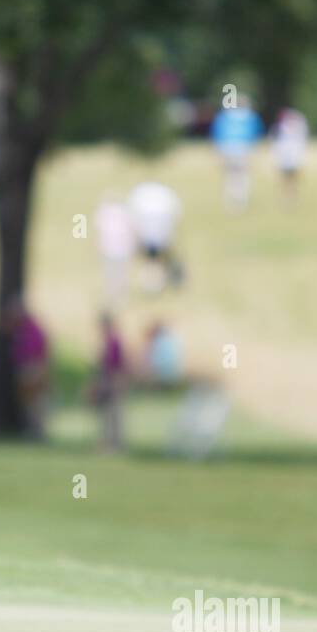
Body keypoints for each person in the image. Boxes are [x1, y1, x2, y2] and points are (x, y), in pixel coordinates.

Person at [126, 181, 184, 289]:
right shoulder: (164, 196)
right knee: (156, 261)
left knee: (152, 262)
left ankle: (153, 284)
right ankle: (155, 284)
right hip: (159, 236)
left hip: (150, 236)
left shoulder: (141, 196)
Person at [6, 299, 50, 439]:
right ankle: (32, 429)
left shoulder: (33, 329)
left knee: (35, 403)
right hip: (24, 367)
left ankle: (38, 431)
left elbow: (40, 352)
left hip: (32, 367)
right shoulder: (20, 329)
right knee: (28, 404)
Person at [210, 98, 263, 211]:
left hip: (227, 148)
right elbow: (257, 133)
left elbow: (217, 133)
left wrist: (218, 150)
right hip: (244, 148)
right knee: (243, 176)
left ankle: (231, 201)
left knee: (230, 176)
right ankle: (242, 200)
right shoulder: (250, 117)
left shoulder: (224, 116)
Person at [87, 313, 127, 451]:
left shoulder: (114, 342)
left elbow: (118, 366)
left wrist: (116, 383)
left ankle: (115, 444)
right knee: (105, 415)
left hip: (113, 382)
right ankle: (106, 443)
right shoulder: (107, 343)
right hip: (105, 382)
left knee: (113, 415)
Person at [94, 194, 135, 307]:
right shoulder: (124, 212)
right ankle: (118, 295)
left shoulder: (104, 213)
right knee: (120, 273)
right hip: (120, 248)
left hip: (112, 248)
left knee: (112, 273)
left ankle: (115, 295)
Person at [270, 108, 308, 203]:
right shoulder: (281, 129)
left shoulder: (297, 129)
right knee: (285, 180)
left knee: (292, 179)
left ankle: (291, 197)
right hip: (285, 159)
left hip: (293, 159)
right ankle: (287, 197)